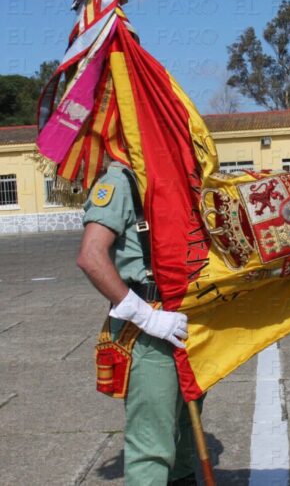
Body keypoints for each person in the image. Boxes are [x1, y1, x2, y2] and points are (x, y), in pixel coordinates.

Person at [77, 160, 200, 485]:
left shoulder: (176, 173)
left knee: (186, 438)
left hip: (186, 324)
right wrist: (146, 316)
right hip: (149, 328)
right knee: (152, 447)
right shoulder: (120, 180)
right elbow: (91, 257)